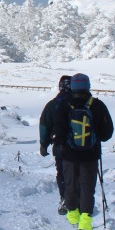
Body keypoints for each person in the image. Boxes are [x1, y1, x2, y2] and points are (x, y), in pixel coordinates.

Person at [52, 73, 114, 230]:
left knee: (71, 184)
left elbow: (58, 129)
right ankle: (85, 223)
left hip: (69, 155)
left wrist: (60, 145)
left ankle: (73, 216)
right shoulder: (97, 105)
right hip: (90, 155)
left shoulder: (65, 105)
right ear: (88, 86)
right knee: (87, 187)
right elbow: (107, 132)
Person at [39, 75, 72, 215]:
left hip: (60, 145)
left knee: (62, 173)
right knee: (79, 173)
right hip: (82, 146)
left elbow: (44, 125)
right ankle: (80, 199)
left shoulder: (52, 105)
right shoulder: (82, 103)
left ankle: (65, 198)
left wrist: (43, 144)